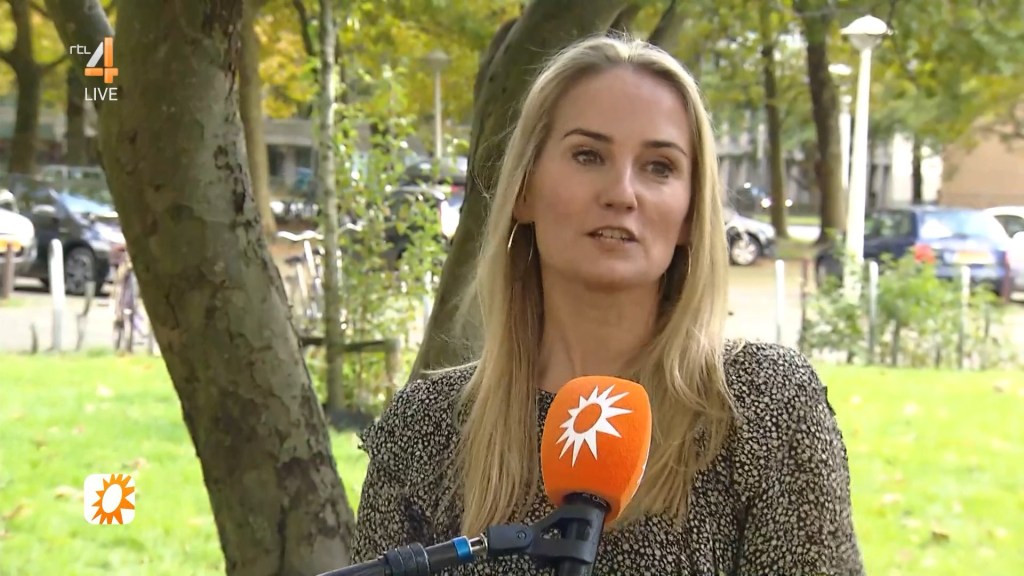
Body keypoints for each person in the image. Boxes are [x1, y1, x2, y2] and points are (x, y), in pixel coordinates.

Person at [352, 34, 864, 575]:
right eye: (588, 156)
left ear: (690, 213)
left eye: (659, 167)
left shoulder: (762, 407)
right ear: (524, 188)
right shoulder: (426, 427)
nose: (622, 193)